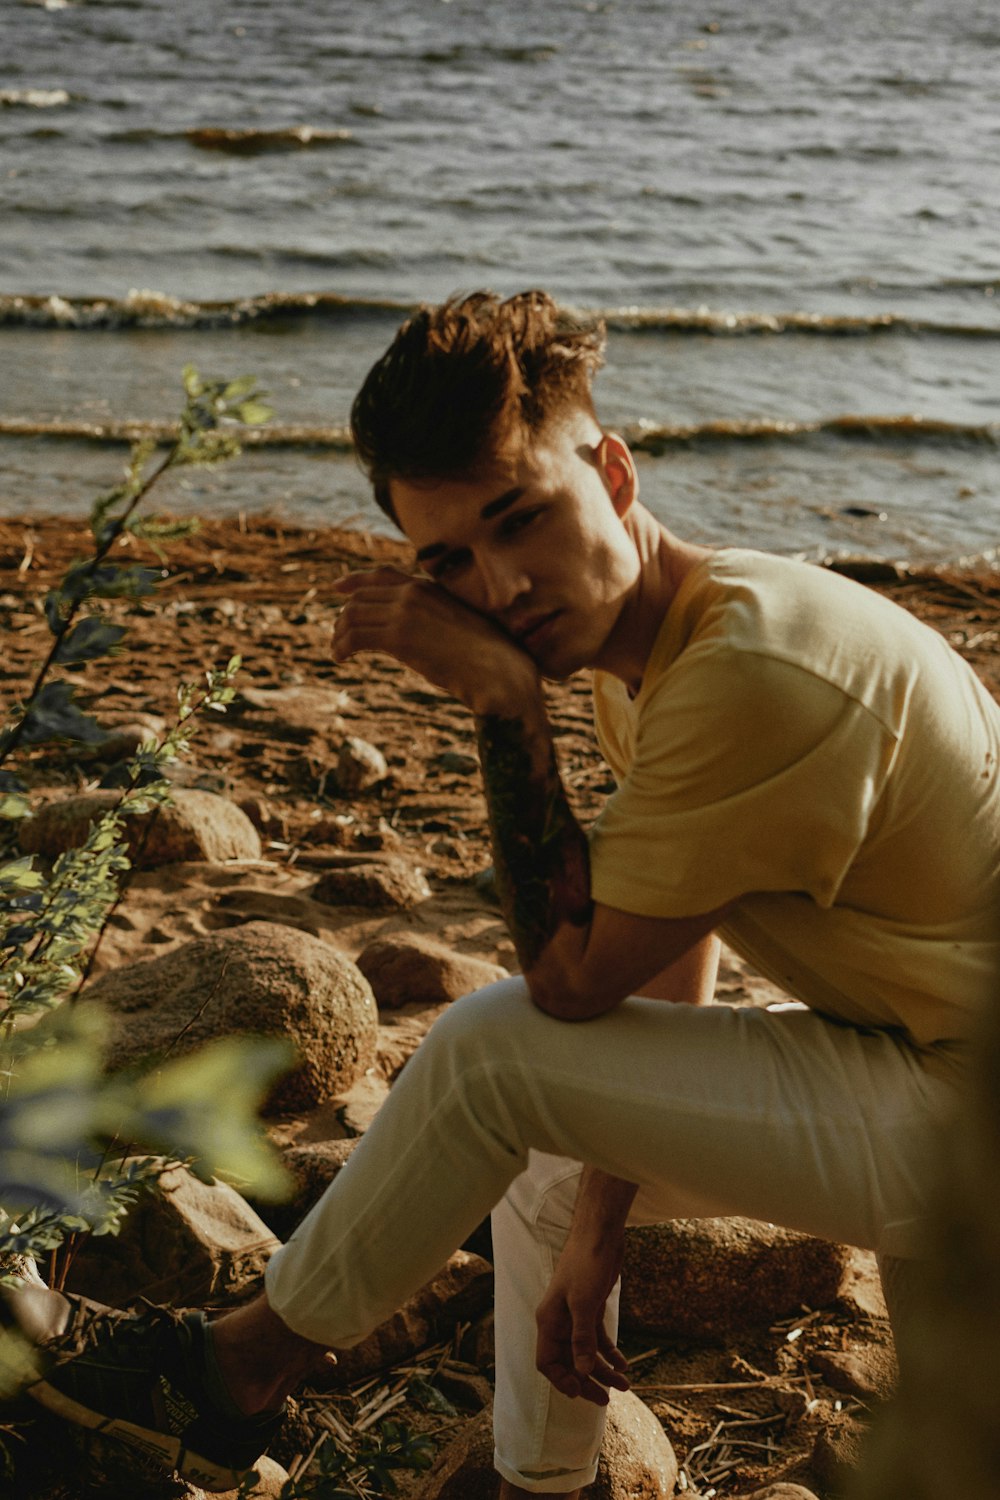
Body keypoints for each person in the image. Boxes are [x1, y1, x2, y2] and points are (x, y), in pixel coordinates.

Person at [4, 290, 999, 1497]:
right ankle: (548, 1481)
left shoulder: (755, 671)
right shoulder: (668, 650)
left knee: (493, 1051)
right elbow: (656, 963)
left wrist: (500, 702)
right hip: (913, 1064)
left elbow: (570, 989)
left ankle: (233, 1372)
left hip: (961, 1115)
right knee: (538, 1135)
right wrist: (601, 1226)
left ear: (614, 475)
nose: (501, 583)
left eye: (520, 520)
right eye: (449, 563)